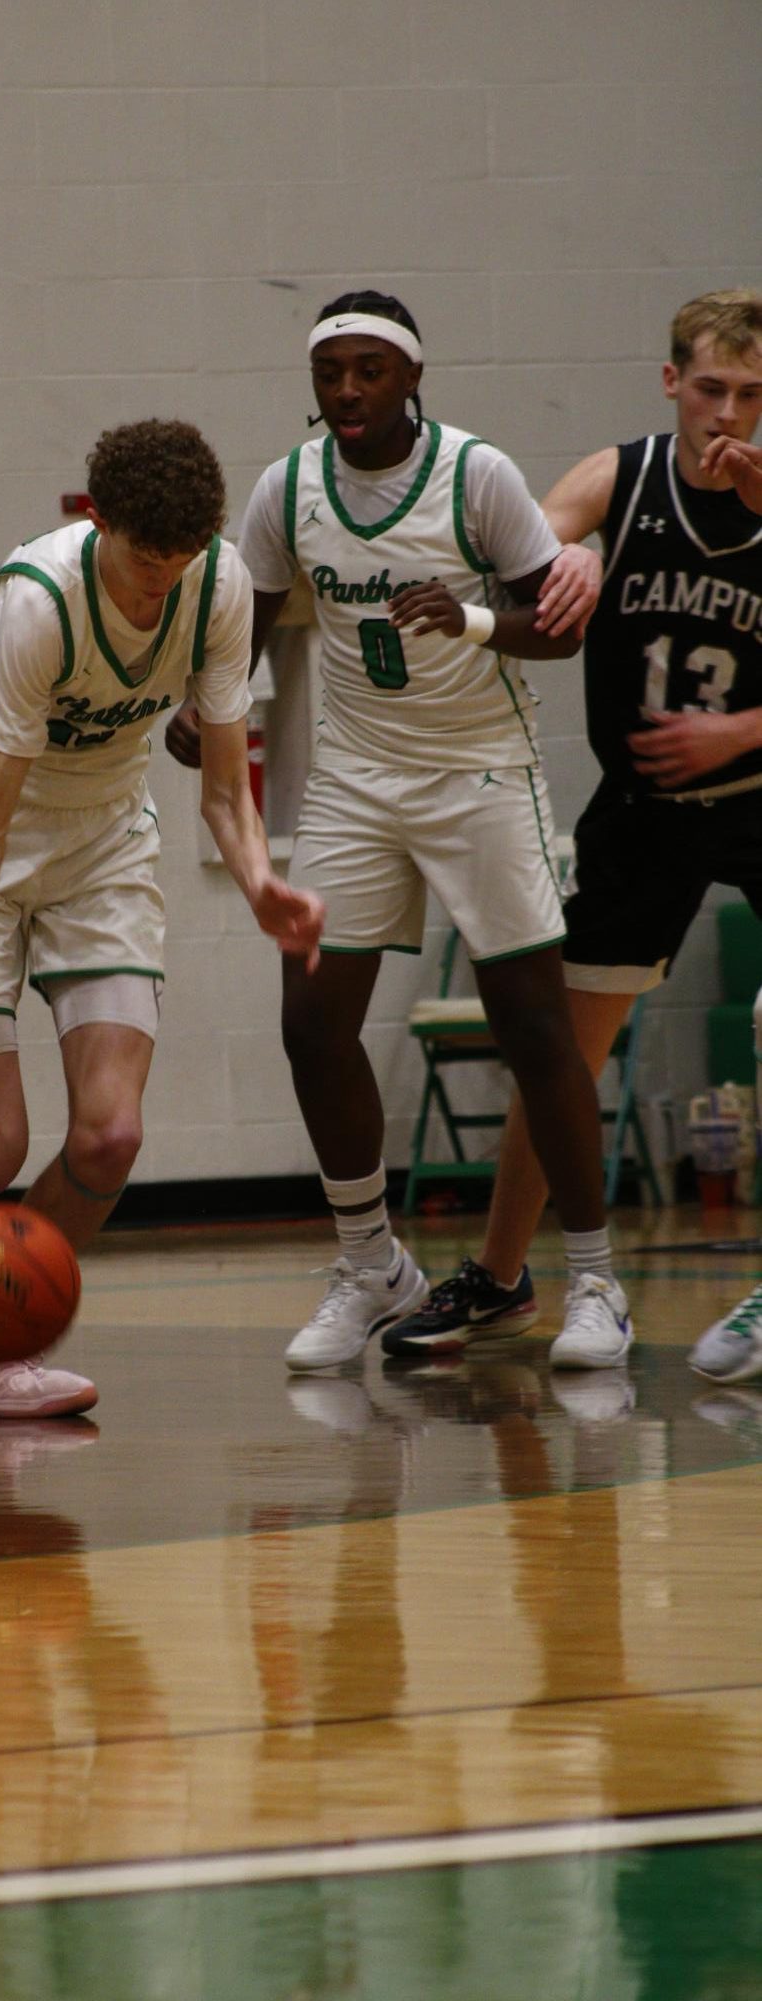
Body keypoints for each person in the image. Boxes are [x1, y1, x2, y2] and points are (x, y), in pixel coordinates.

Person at [0, 418, 325, 1419]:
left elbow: (223, 793)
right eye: (140, 564)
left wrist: (260, 886)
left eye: (174, 567)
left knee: (110, 1139)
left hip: (104, 835)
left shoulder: (214, 590)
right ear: (99, 523)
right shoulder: (39, 597)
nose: (153, 590)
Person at [171, 289, 626, 1375]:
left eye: (368, 371)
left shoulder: (476, 474)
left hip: (478, 771)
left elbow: (554, 633)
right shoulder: (287, 488)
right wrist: (204, 714)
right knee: (309, 1025)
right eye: (330, 372)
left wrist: (468, 619)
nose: (346, 391)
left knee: (532, 1028)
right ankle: (368, 1263)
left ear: (411, 376)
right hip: (353, 779)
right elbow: (244, 627)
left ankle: (596, 1279)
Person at [376, 294, 762, 1379]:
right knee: (557, 1053)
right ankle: (500, 1277)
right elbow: (518, 565)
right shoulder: (617, 478)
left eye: (748, 394)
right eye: (709, 389)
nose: (726, 412)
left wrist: (735, 729)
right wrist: (563, 565)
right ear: (668, 382)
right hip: (641, 814)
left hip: (757, 795)